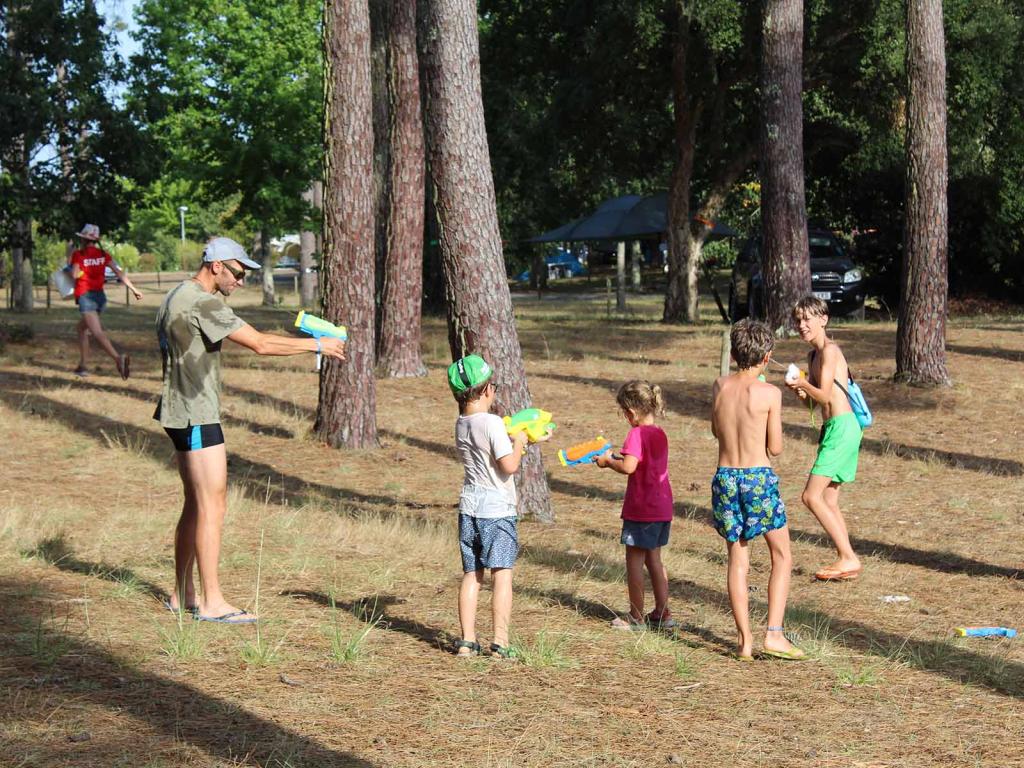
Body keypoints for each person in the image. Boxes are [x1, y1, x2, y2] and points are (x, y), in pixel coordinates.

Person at [156, 237, 345, 624]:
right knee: (214, 504)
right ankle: (211, 602)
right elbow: (259, 343)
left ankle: (182, 593)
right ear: (216, 266)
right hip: (196, 415)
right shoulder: (203, 302)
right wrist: (317, 346)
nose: (240, 281)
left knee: (195, 504)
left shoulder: (177, 294)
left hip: (180, 411)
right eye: (238, 273)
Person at [711, 319, 804, 661]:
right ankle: (774, 634)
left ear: (734, 353)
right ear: (767, 357)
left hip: (725, 477)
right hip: (758, 479)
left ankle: (744, 641)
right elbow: (776, 447)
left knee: (738, 560)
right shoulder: (769, 393)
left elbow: (715, 430)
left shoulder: (720, 386)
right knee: (781, 555)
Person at [448, 354, 548, 658]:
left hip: (470, 508)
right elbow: (509, 466)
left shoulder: (462, 423)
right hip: (497, 510)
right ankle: (500, 642)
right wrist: (520, 441)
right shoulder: (491, 423)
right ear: (485, 390)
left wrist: (518, 439)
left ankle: (467, 640)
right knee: (502, 574)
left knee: (472, 574)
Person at [786, 296, 863, 582]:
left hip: (843, 428)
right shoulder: (813, 356)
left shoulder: (830, 351)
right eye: (798, 320)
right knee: (828, 499)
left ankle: (848, 557)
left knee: (810, 496)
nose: (802, 325)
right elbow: (817, 402)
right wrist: (801, 392)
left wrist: (804, 383)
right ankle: (847, 559)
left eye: (807, 319)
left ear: (823, 320)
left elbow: (827, 391)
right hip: (834, 428)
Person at [596, 380, 676, 631]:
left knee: (634, 559)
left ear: (631, 412)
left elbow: (630, 466)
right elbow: (645, 463)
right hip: (662, 506)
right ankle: (663, 613)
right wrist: (620, 458)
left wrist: (608, 462)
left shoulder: (636, 433)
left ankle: (636, 615)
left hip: (642, 508)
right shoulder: (659, 433)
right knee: (655, 559)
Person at [68, 224, 143, 378]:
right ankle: (83, 366)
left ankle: (118, 359)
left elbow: (74, 275)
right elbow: (119, 272)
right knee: (81, 329)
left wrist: (75, 271)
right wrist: (134, 289)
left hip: (86, 296)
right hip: (100, 298)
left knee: (97, 332)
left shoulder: (78, 254)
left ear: (83, 239)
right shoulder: (103, 254)